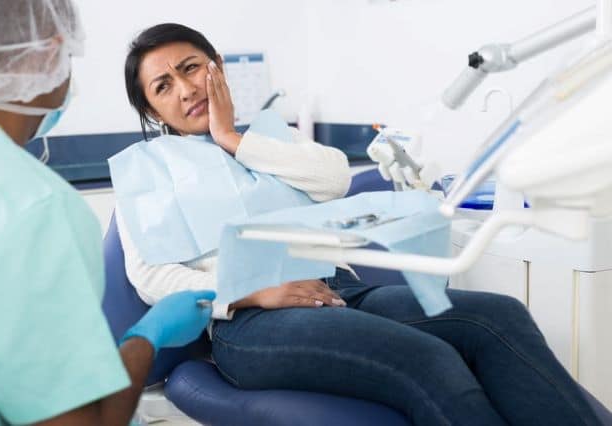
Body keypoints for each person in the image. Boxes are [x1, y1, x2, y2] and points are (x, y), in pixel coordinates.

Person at [119, 23, 603, 425]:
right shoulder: (144, 177)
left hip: (339, 292)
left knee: (498, 316)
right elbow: (152, 279)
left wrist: (232, 138)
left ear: (216, 68)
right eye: (163, 86)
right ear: (149, 108)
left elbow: (332, 179)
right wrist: (253, 294)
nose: (184, 89)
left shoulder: (269, 138)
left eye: (191, 69)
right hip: (252, 322)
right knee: (427, 357)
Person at [0, 2, 215, 425]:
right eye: (67, 56)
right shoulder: (32, 204)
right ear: (46, 54)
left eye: (191, 68)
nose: (186, 89)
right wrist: (147, 338)